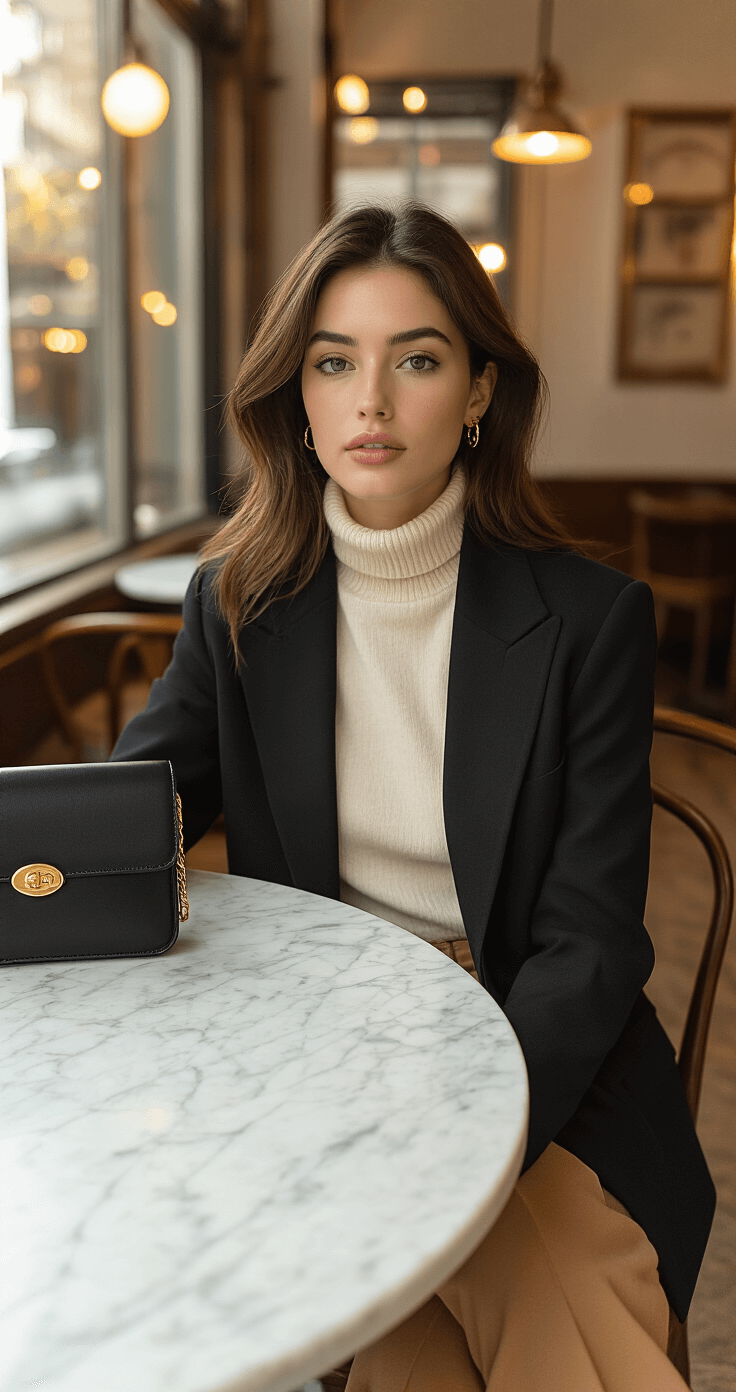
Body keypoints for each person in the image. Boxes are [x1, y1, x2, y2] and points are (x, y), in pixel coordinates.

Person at [112, 203, 714, 1391]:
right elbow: (122, 817)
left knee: (525, 1272)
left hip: (535, 1046)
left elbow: (589, 944)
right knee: (452, 1304)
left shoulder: (589, 621)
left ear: (480, 391)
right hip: (329, 1045)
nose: (371, 402)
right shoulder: (236, 606)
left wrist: (465, 1119)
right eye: (334, 362)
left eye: (418, 361)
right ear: (296, 395)